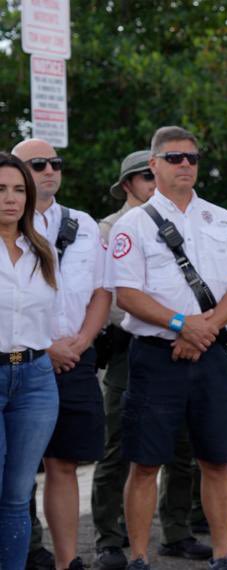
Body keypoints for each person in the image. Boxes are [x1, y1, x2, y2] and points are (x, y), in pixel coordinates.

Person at [105, 126, 227, 569]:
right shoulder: (132, 224)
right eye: (173, 158)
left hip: (209, 355)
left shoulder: (222, 218)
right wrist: (180, 324)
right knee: (146, 463)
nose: (185, 164)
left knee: (217, 459)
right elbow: (126, 295)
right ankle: (140, 557)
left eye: (192, 157)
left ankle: (223, 555)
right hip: (155, 357)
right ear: (154, 164)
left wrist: (201, 331)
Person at [92, 150, 213, 569]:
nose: (152, 179)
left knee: (183, 445)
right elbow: (110, 295)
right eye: (143, 175)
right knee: (121, 446)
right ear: (128, 185)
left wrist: (191, 331)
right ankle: (109, 538)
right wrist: (175, 325)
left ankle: (177, 531)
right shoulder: (111, 228)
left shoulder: (192, 220)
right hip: (132, 346)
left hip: (187, 343)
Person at [12, 139, 112, 570]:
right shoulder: (7, 222)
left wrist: (82, 342)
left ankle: (67, 562)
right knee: (13, 470)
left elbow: (102, 290)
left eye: (56, 162)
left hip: (76, 356)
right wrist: (44, 346)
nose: (50, 170)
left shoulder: (85, 223)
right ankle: (26, 552)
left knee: (64, 462)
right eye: (38, 164)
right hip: (21, 356)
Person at [0, 152, 60, 569]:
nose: (11, 199)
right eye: (1, 190)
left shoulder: (42, 251)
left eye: (19, 189)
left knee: (18, 496)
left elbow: (50, 318)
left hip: (37, 379)